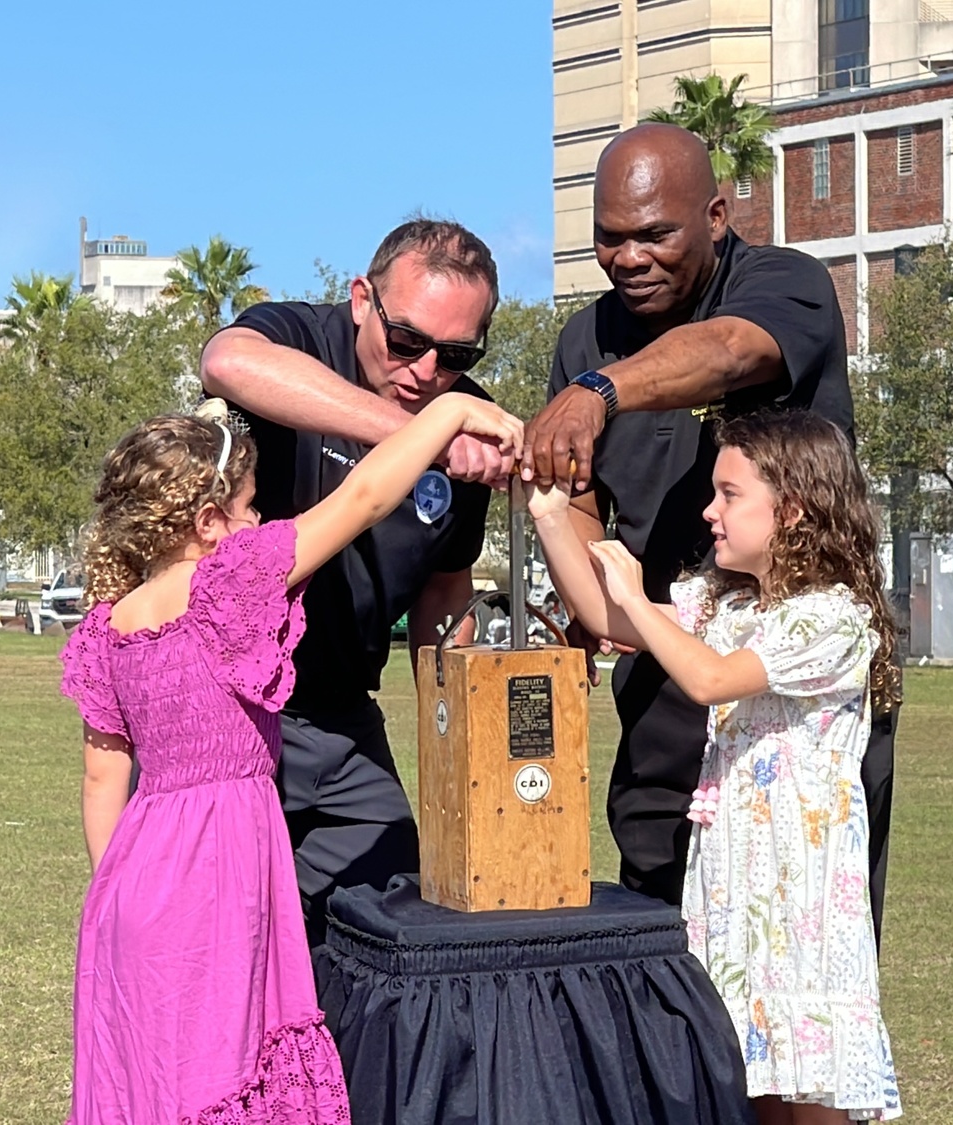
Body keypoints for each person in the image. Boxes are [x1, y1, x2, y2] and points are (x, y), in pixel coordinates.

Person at [59, 393, 523, 1124]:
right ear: (208, 523)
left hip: (131, 885)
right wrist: (450, 411)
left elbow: (101, 775)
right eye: (248, 505)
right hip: (220, 871)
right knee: (228, 1066)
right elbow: (366, 495)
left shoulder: (105, 628)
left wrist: (119, 894)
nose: (258, 521)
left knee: (156, 1080)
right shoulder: (229, 581)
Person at [524, 123, 899, 935]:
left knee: (795, 954)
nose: (630, 258)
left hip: (794, 709)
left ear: (717, 217)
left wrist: (599, 392)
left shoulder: (784, 286)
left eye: (655, 234)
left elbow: (727, 352)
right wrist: (584, 577)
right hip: (663, 691)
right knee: (659, 954)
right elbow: (585, 522)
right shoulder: (585, 336)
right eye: (610, 239)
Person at [531, 411, 902, 1123]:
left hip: (804, 906)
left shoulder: (832, 617)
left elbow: (709, 679)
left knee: (811, 1093)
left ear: (792, 509)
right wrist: (551, 512)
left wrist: (638, 597)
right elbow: (609, 618)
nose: (710, 511)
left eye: (729, 494)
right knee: (750, 1084)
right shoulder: (725, 602)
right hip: (736, 893)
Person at [200, 219, 509, 944]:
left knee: (394, 919)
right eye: (407, 339)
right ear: (362, 298)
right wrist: (414, 437)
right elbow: (228, 362)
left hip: (342, 717)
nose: (428, 370)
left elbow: (444, 593)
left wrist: (459, 729)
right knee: (229, 938)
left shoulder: (464, 417)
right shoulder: (301, 337)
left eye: (456, 353)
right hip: (229, 701)